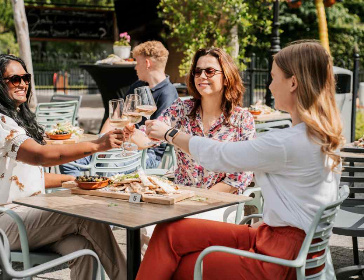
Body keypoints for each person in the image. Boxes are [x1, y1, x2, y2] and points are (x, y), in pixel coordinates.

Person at [138, 41, 344, 280]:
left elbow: (221, 156)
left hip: (278, 258)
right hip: (278, 239)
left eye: (273, 77)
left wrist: (170, 134)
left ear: (293, 83)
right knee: (170, 232)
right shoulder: (320, 136)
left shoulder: (288, 142)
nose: (269, 85)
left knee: (180, 265)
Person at [0, 54, 126, 280]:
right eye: (15, 79)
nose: (24, 84)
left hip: (23, 216)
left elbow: (26, 178)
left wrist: (72, 181)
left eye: (26, 78)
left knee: (83, 248)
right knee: (86, 216)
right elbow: (40, 157)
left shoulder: (13, 118)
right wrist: (97, 145)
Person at [128, 47, 255, 193]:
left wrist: (202, 199)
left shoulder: (242, 119)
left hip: (221, 203)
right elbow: (148, 138)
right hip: (181, 197)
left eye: (209, 71)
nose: (201, 76)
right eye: (197, 71)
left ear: (226, 78)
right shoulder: (181, 109)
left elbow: (241, 176)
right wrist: (130, 134)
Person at [60, 40, 178, 176]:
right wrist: (101, 142)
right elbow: (116, 116)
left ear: (147, 64)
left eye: (137, 63)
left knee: (107, 165)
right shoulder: (138, 86)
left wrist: (122, 142)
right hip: (121, 146)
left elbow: (152, 141)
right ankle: (81, 192)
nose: (135, 68)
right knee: (67, 158)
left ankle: (99, 194)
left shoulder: (168, 94)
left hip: (146, 154)